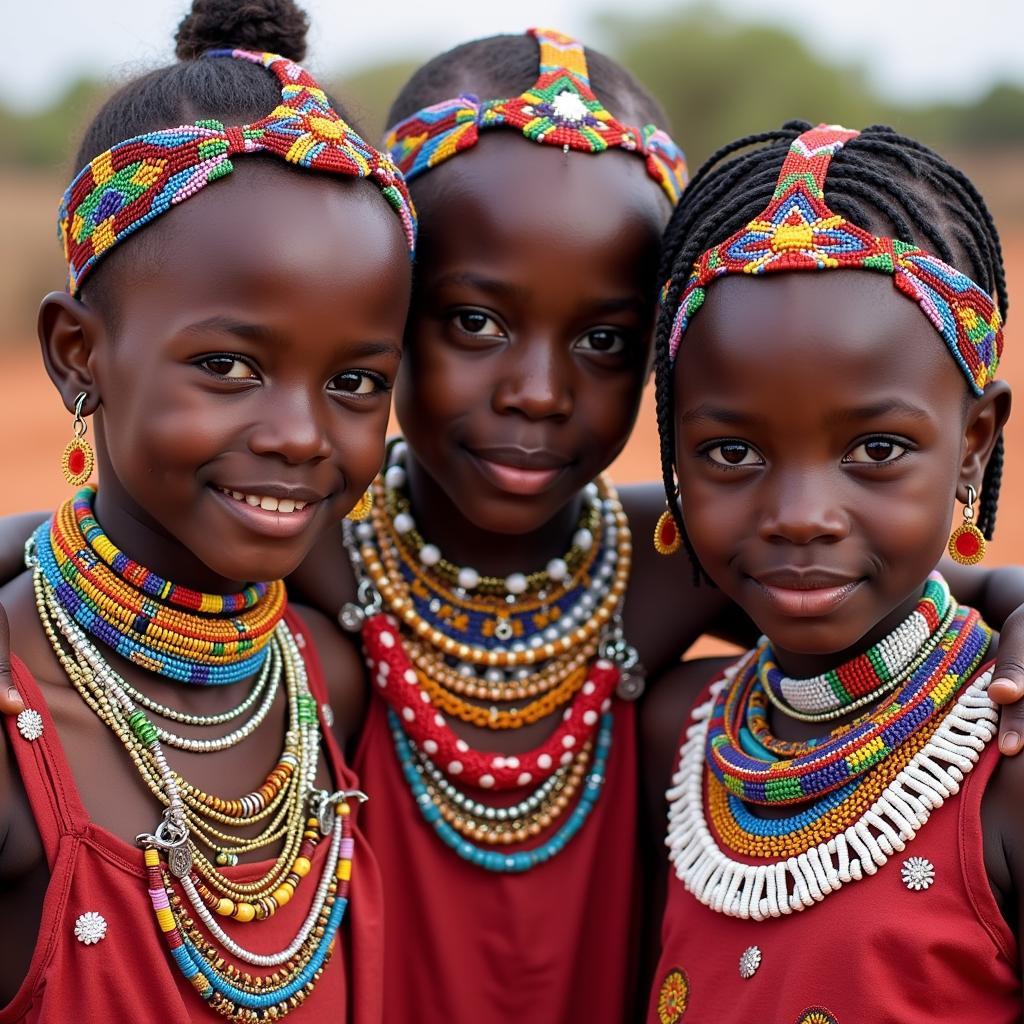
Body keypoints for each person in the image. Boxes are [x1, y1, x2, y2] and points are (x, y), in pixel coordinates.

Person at [0, 1, 414, 1019]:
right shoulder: (11, 726)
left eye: (356, 382)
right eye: (228, 366)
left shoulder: (330, 682)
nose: (300, 435)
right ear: (77, 355)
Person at [642, 122, 1020, 1022]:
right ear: (671, 461)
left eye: (877, 448)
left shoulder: (1005, 772)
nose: (801, 515)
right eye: (731, 452)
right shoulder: (681, 736)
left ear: (973, 448)